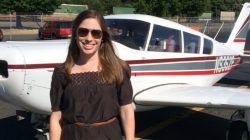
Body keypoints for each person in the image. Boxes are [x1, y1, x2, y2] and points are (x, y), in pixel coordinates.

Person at [49, 10, 135, 140]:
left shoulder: (118, 68)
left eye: (96, 33)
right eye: (83, 31)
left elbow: (126, 110)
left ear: (103, 37)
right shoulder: (62, 73)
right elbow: (56, 116)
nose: (89, 38)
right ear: (75, 34)